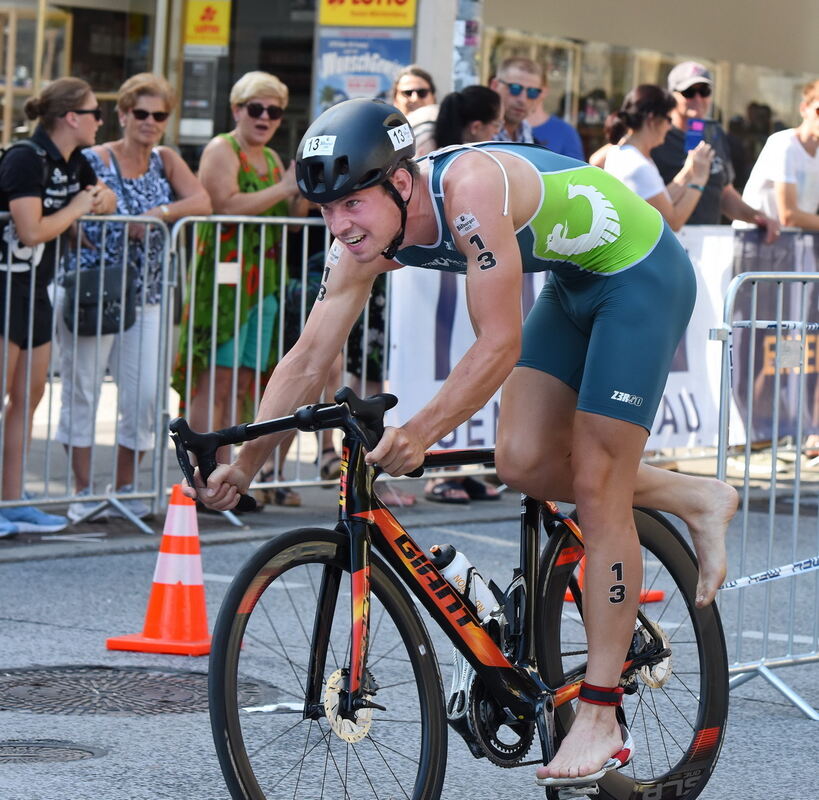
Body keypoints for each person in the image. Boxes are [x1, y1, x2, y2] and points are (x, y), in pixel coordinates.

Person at [186, 98, 738, 787]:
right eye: (325, 210)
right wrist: (246, 464)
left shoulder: (468, 189)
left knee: (599, 484)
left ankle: (599, 713)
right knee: (523, 462)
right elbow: (307, 358)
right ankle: (695, 496)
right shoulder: (360, 241)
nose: (339, 224)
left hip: (641, 275)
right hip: (573, 283)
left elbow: (499, 342)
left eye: (351, 204)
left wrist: (420, 431)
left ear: (400, 182)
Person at [57, 73, 211, 523]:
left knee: (145, 395)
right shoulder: (92, 158)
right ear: (122, 115)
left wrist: (158, 213)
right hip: (93, 291)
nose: (150, 121)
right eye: (140, 113)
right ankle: (83, 491)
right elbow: (66, 213)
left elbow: (201, 201)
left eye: (159, 115)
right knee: (82, 390)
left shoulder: (166, 160)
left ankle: (125, 488)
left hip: (147, 294)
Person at [173, 71, 306, 507]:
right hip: (226, 283)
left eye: (275, 111)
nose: (265, 117)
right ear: (237, 109)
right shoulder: (221, 148)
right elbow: (224, 203)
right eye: (256, 108)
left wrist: (303, 190)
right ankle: (200, 481)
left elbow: (291, 216)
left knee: (245, 382)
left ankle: (225, 480)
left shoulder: (271, 158)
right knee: (216, 379)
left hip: (263, 282)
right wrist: (283, 188)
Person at [0, 77, 116, 536]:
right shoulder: (25, 157)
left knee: (28, 397)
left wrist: (95, 199)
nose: (99, 122)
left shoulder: (76, 161)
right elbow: (31, 230)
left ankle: (11, 498)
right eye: (94, 113)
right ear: (71, 117)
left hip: (35, 290)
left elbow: (107, 199)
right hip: (4, 285)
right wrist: (77, 207)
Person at [421, 85, 504, 503]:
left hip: (473, 273)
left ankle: (464, 467)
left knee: (479, 361)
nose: (499, 132)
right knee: (444, 370)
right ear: (476, 126)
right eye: (495, 125)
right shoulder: (439, 158)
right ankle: (441, 471)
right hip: (440, 285)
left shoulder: (476, 163)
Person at [651, 61, 780, 239]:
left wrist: (758, 217)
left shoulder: (714, 132)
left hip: (707, 243)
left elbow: (724, 192)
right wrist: (690, 174)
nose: (698, 99)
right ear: (672, 96)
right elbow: (648, 200)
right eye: (689, 92)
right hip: (666, 241)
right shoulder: (656, 134)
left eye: (704, 91)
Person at [603, 84, 715, 230]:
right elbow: (672, 223)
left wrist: (688, 172)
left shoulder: (622, 152)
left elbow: (659, 201)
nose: (670, 127)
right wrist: (699, 180)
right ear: (652, 119)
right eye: (668, 119)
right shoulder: (638, 166)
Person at [526, 73, 584, 160]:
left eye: (531, 91)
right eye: (515, 88)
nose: (522, 97)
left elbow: (576, 168)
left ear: (544, 91)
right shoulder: (505, 129)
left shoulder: (565, 131)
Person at [490, 56, 544, 143]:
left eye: (532, 92)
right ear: (495, 86)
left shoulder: (533, 142)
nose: (523, 100)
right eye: (515, 88)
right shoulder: (473, 135)